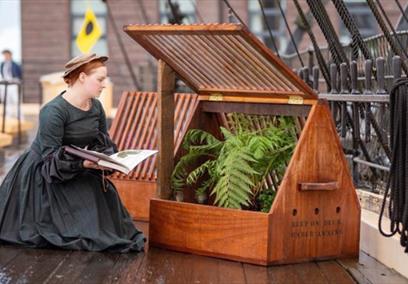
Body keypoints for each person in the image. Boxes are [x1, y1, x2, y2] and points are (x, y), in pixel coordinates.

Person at [0, 53, 145, 252]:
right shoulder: (53, 111)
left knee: (103, 206)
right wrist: (82, 164)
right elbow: (49, 158)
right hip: (47, 173)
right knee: (82, 228)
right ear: (82, 77)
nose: (104, 85)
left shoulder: (96, 107)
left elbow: (101, 141)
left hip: (79, 165)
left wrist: (104, 159)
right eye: (100, 79)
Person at [0, 49, 23, 119]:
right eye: (4, 55)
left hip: (13, 85)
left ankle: (19, 116)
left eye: (7, 55)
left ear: (10, 55)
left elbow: (19, 75)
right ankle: (8, 116)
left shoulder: (15, 65)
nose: (6, 56)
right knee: (6, 101)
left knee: (15, 100)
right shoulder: (2, 64)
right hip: (5, 85)